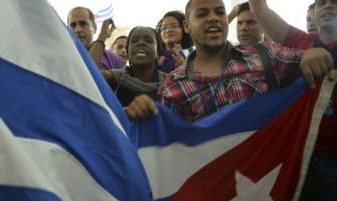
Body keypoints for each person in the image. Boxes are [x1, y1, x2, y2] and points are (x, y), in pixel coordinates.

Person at [125, 0, 333, 124]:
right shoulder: (172, 87)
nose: (213, 18)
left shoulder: (265, 55)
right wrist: (145, 114)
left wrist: (309, 55)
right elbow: (166, 143)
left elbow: (304, 60)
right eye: (202, 13)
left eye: (220, 12)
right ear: (187, 27)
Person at [249, 0, 337, 201]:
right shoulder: (300, 41)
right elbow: (260, 10)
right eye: (322, 3)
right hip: (299, 157)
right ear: (315, 13)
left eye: (334, 3)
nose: (327, 6)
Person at [102, 26, 166, 107]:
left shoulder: (170, 83)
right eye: (134, 41)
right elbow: (88, 77)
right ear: (127, 53)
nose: (141, 43)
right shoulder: (113, 78)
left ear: (157, 53)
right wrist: (102, 37)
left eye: (148, 41)